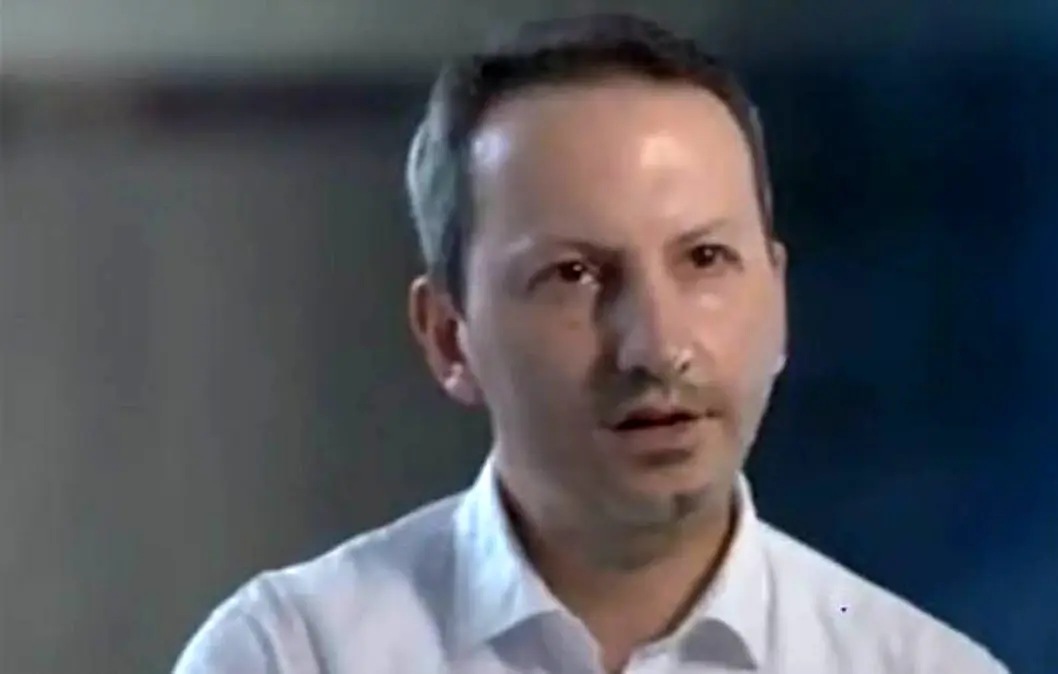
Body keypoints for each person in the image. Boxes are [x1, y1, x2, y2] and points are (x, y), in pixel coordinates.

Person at [173, 13, 1008, 674]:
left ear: (778, 297)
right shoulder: (292, 654)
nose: (657, 345)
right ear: (448, 337)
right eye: (573, 274)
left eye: (705, 259)